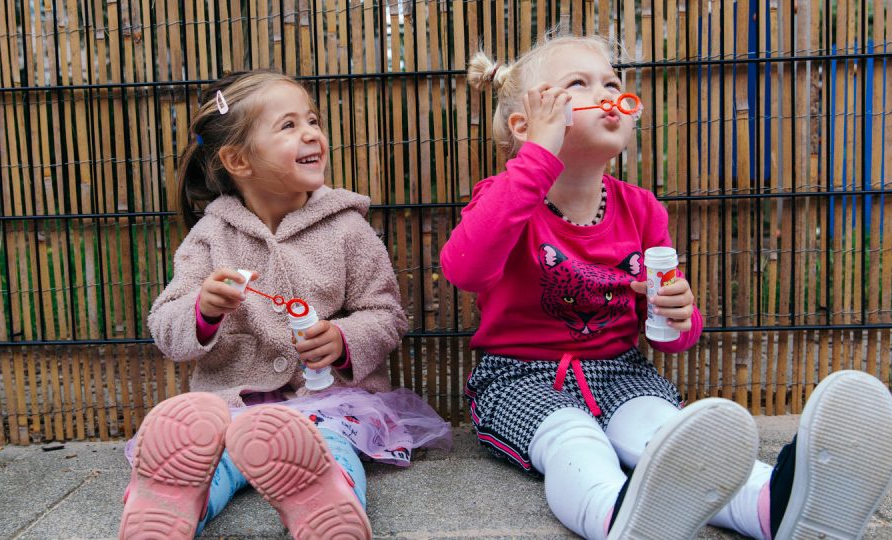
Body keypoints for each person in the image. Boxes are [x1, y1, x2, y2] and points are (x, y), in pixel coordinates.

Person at [440, 33, 892, 540]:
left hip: (622, 372)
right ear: (527, 123)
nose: (608, 93)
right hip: (520, 379)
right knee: (575, 442)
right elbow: (465, 270)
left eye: (613, 82)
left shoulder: (641, 209)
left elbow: (670, 337)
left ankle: (779, 506)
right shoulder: (503, 197)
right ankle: (620, 517)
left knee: (664, 434)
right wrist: (538, 159)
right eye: (579, 84)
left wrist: (679, 314)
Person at [119, 70, 452, 540]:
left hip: (329, 401)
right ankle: (170, 506)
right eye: (289, 125)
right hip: (232, 406)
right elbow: (165, 325)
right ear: (238, 160)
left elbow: (386, 314)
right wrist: (203, 309)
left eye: (312, 119)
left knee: (330, 447)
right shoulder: (210, 238)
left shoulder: (346, 228)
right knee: (212, 455)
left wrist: (342, 340)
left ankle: (323, 504)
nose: (312, 132)